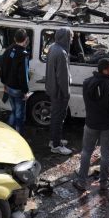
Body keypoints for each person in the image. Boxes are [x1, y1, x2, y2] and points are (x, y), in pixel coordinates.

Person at [74, 59, 109, 193]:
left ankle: (81, 182)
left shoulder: (86, 83)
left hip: (90, 123)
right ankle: (104, 182)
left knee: (86, 151)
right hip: (108, 125)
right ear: (105, 70)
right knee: (105, 153)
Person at [0, 28, 30, 134]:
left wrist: (4, 83)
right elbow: (23, 75)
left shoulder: (9, 49)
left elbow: (3, 67)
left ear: (15, 38)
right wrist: (25, 91)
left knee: (14, 110)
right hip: (18, 89)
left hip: (9, 87)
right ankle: (18, 133)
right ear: (26, 40)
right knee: (20, 114)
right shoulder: (23, 54)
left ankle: (9, 129)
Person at [45, 27, 72, 155]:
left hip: (52, 88)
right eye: (70, 37)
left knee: (55, 116)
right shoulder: (61, 53)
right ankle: (56, 145)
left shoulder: (52, 47)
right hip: (60, 92)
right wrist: (66, 93)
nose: (71, 40)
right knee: (58, 118)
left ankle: (54, 140)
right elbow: (63, 77)